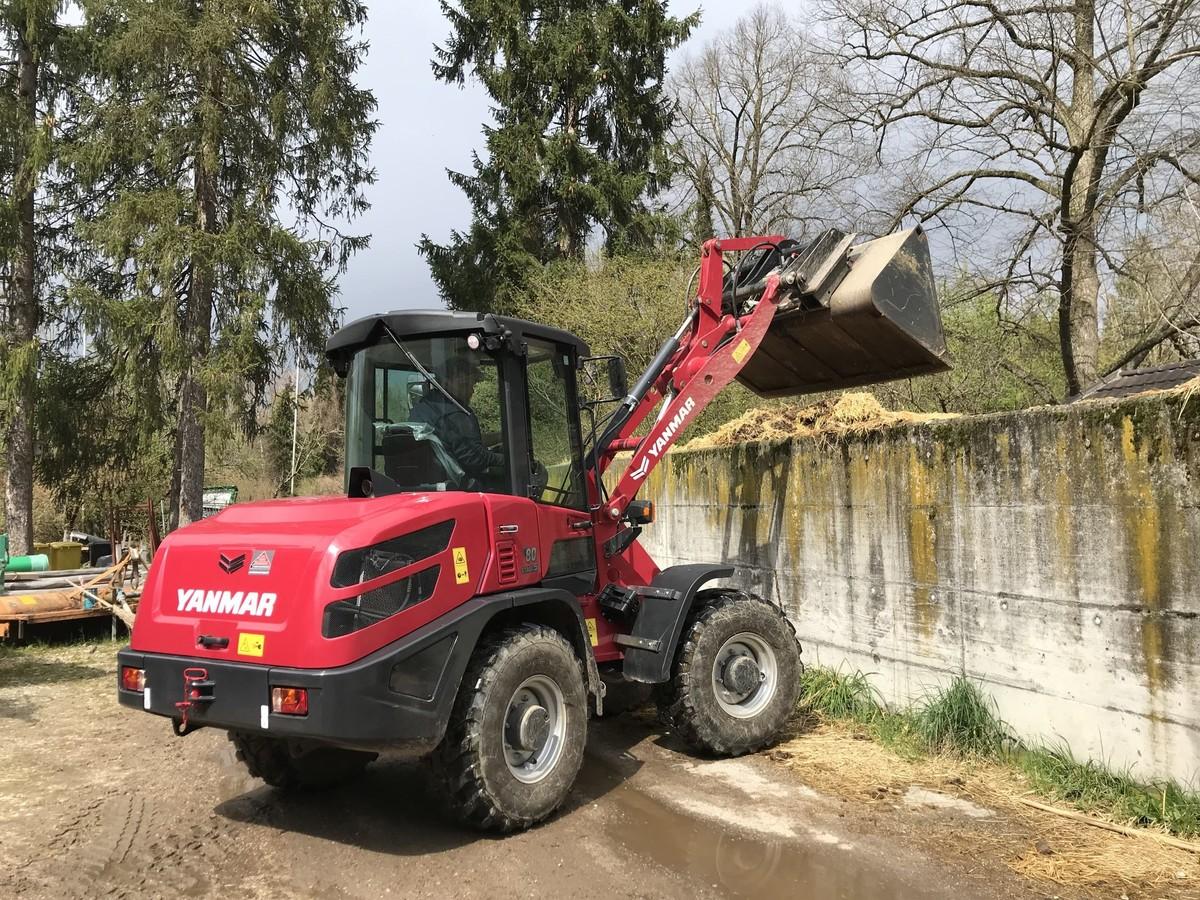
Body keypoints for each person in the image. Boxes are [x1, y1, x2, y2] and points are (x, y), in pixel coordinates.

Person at [409, 349, 505, 487]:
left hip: (430, 484)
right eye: (470, 384)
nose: (472, 390)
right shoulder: (455, 412)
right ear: (455, 381)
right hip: (460, 487)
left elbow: (463, 442)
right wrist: (508, 459)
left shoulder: (425, 407)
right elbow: (474, 458)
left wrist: (501, 436)